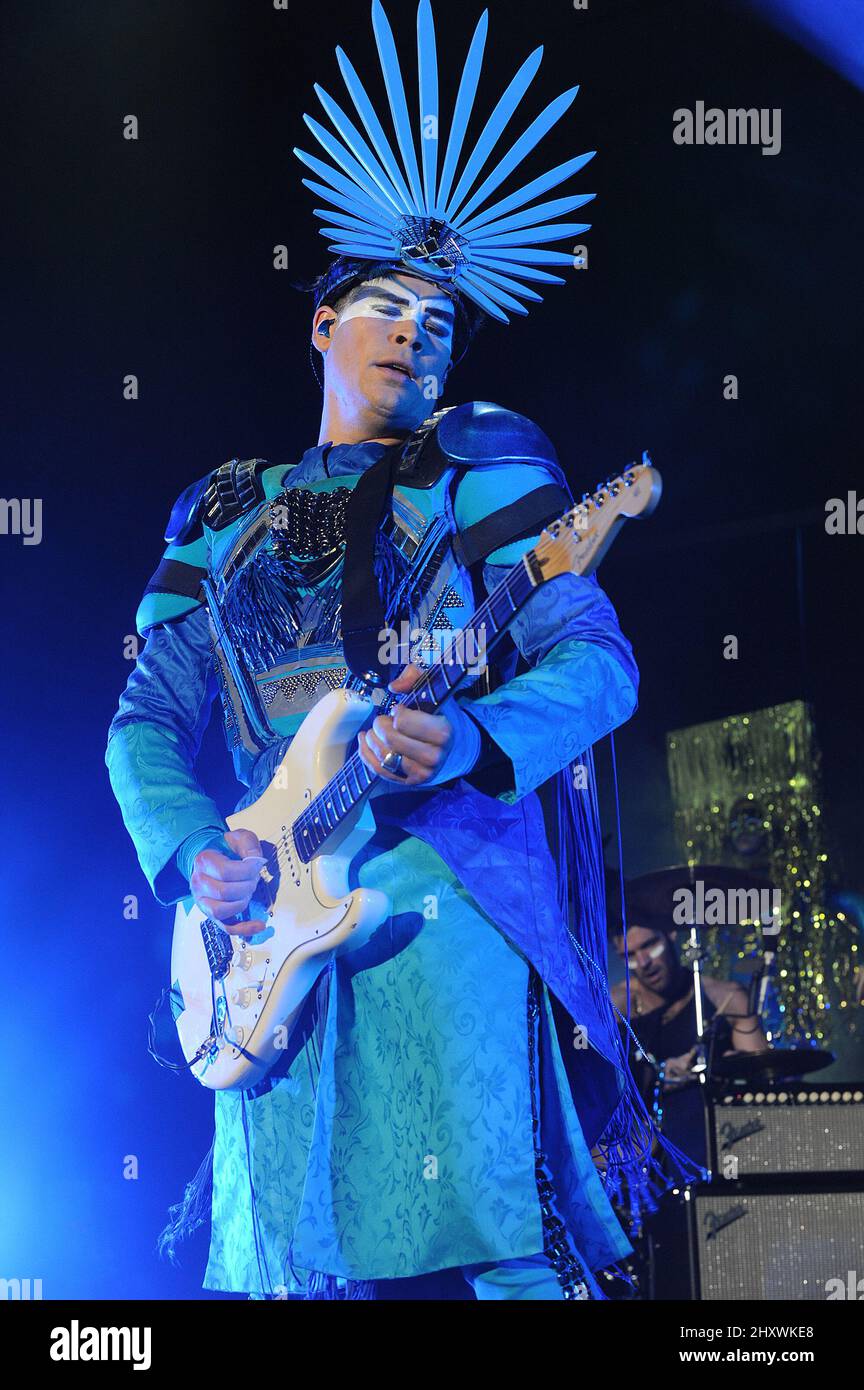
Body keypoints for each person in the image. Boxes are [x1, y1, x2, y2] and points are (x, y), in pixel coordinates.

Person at [105, 0, 671, 1300]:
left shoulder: (482, 466)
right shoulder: (226, 506)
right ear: (321, 322)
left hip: (438, 894)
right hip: (261, 928)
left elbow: (597, 665)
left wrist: (476, 735)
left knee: (499, 1247)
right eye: (388, 304)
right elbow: (146, 718)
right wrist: (193, 848)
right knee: (291, 1268)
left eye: (443, 318)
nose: (419, 330)